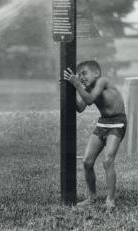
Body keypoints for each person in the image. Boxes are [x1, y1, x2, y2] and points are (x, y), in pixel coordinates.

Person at [63, 60, 126, 210]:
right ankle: (92, 197)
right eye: (79, 75)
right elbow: (80, 107)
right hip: (103, 123)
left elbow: (90, 100)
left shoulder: (102, 81)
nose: (81, 77)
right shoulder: (87, 87)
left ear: (96, 73)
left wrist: (77, 84)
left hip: (117, 122)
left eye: (84, 73)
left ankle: (110, 200)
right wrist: (70, 89)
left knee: (107, 161)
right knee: (87, 162)